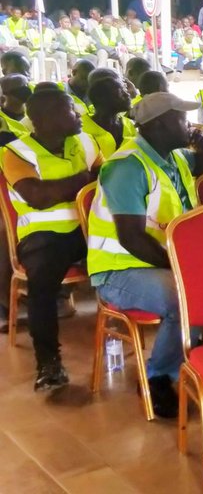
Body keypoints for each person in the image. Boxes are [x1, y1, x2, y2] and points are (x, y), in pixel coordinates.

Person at [89, 92, 203, 417]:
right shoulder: (127, 167)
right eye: (180, 119)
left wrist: (202, 148)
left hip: (162, 262)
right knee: (182, 297)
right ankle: (158, 377)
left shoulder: (171, 157)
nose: (187, 124)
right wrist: (182, 267)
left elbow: (202, 166)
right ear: (158, 125)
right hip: (119, 270)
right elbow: (131, 238)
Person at [0, 86, 101, 392]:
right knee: (42, 284)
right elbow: (38, 196)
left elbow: (107, 176)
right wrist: (83, 181)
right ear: (46, 118)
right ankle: (48, 362)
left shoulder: (84, 141)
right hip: (44, 237)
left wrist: (72, 185)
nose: (79, 114)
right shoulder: (15, 153)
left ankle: (131, 330)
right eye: (71, 109)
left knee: (127, 250)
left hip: (88, 231)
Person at [81, 69, 136, 157]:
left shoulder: (131, 125)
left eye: (125, 90)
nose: (128, 94)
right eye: (121, 92)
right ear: (104, 99)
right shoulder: (82, 128)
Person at [0, 74, 32, 141]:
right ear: (3, 97)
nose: (26, 91)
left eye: (26, 86)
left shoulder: (33, 114)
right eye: (20, 90)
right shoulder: (2, 124)